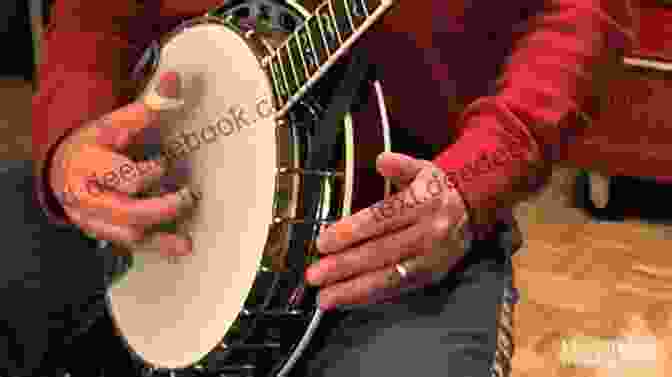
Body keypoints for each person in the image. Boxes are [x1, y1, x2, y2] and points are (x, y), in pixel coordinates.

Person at [1, 0, 633, 376]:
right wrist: (72, 140)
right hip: (158, 183)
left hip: (396, 227)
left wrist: (475, 179)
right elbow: (92, 16)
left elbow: (585, 11)